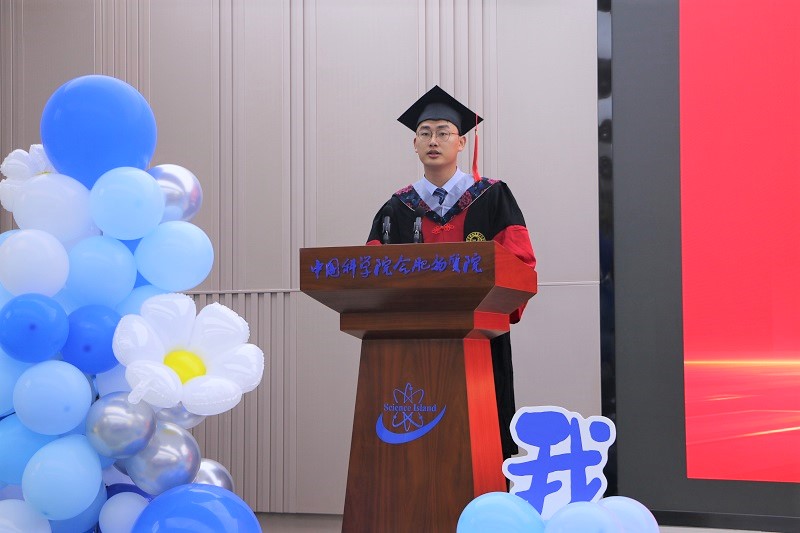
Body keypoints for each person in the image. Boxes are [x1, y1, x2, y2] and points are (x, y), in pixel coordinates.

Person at [366, 85, 536, 460]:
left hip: (480, 342)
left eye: (444, 132)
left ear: (461, 143)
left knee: (482, 441)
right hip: (413, 344)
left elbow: (521, 264)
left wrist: (492, 309)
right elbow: (371, 274)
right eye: (425, 133)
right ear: (414, 144)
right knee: (417, 444)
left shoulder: (492, 197)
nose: (434, 140)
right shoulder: (396, 208)